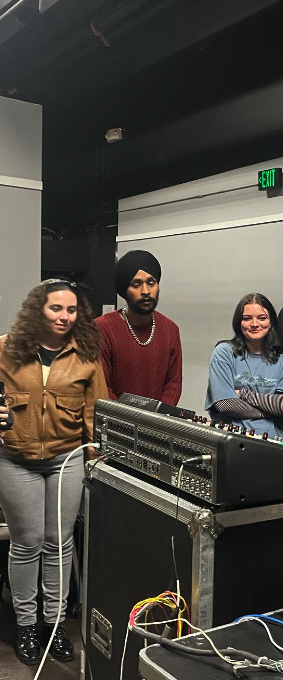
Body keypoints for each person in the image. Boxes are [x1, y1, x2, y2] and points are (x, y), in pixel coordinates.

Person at [0, 279, 108, 665]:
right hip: (15, 459)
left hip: (66, 460)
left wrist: (97, 463)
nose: (64, 316)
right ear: (37, 310)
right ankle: (26, 626)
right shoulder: (6, 349)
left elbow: (97, 416)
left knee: (59, 544)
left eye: (71, 310)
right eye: (56, 308)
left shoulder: (85, 358)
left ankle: (55, 625)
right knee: (27, 543)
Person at [96, 250, 182, 405]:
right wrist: (132, 420)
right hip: (115, 422)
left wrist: (158, 417)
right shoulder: (103, 328)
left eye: (151, 283)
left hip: (157, 423)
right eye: (136, 285)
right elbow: (102, 386)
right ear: (125, 291)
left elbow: (174, 383)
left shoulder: (170, 329)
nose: (146, 291)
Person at [205, 293, 283, 438]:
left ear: (271, 322)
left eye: (262, 318)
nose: (255, 324)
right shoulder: (224, 353)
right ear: (238, 322)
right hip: (231, 440)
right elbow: (225, 404)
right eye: (247, 318)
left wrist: (242, 394)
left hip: (271, 442)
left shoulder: (281, 358)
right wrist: (268, 411)